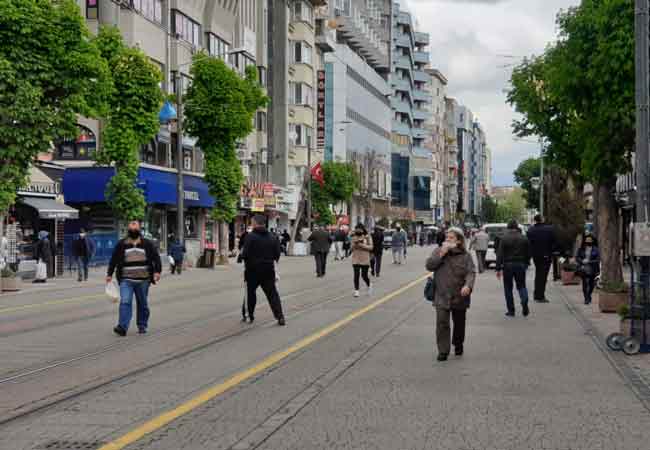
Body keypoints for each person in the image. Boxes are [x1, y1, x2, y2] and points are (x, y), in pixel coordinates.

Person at [425, 227, 476, 362]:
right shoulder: (438, 251)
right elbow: (429, 266)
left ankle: (458, 343)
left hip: (459, 295)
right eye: (447, 237)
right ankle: (443, 351)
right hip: (441, 294)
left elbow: (471, 272)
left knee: (459, 323)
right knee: (442, 323)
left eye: (451, 238)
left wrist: (468, 286)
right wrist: (441, 253)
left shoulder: (466, 256)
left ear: (458, 241)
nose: (447, 240)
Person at [106, 220, 162, 336]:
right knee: (125, 302)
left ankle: (142, 325)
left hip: (144, 280)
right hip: (126, 279)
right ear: (128, 230)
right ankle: (122, 327)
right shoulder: (122, 244)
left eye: (135, 228)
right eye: (131, 228)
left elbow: (156, 258)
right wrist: (109, 274)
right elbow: (114, 259)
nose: (133, 230)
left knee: (143, 304)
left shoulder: (147, 244)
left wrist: (157, 271)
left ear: (139, 229)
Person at [239, 215, 285, 325]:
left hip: (252, 271)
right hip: (268, 270)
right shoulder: (273, 237)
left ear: (255, 223)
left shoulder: (250, 236)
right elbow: (277, 254)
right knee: (272, 294)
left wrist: (241, 257)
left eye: (252, 222)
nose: (251, 224)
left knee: (250, 293)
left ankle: (249, 316)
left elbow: (245, 253)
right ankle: (280, 316)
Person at [496, 220, 531, 317]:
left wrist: (498, 268)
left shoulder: (504, 239)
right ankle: (524, 300)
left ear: (508, 227)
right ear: (516, 227)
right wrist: (526, 263)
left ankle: (511, 311)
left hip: (507, 265)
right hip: (520, 265)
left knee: (508, 288)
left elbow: (500, 254)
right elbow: (529, 253)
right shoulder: (524, 238)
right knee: (521, 285)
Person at [526, 214, 556, 303]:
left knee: (538, 274)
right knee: (543, 276)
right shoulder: (549, 229)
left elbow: (528, 244)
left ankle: (536, 294)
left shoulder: (530, 230)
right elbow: (554, 242)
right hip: (546, 255)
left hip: (536, 256)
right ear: (542, 220)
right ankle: (540, 296)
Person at [350, 224, 373, 297]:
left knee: (364, 275)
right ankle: (356, 291)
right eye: (356, 229)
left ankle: (369, 285)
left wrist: (361, 244)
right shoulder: (353, 237)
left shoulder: (367, 237)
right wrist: (355, 244)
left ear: (363, 230)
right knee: (356, 275)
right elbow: (351, 248)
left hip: (365, 259)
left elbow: (371, 247)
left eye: (359, 229)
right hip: (355, 259)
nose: (358, 231)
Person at [576, 233, 600, 305]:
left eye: (590, 240)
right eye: (587, 240)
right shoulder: (581, 249)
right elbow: (577, 257)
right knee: (584, 283)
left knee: (591, 283)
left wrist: (589, 261)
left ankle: (589, 295)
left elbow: (598, 259)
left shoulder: (596, 249)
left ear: (592, 241)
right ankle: (586, 298)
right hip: (583, 268)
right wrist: (582, 261)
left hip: (592, 268)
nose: (588, 241)